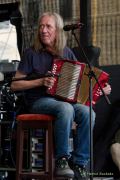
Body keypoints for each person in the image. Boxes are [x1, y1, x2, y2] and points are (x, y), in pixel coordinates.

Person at [10, 12, 111, 179]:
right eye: (41, 26)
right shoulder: (31, 53)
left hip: (64, 102)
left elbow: (80, 87)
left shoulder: (66, 53)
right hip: (38, 101)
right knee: (65, 108)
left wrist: (99, 88)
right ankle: (62, 160)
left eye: (48, 26)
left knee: (88, 113)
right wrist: (40, 82)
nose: (43, 30)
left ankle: (79, 163)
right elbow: (15, 85)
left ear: (57, 30)